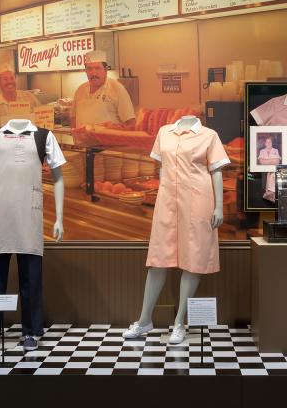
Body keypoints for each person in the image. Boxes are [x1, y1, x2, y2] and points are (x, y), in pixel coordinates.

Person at [123, 116, 230, 344]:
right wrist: (163, 192)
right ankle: (144, 320)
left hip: (199, 200)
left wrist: (219, 206)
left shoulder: (209, 135)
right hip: (168, 202)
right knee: (158, 260)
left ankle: (180, 323)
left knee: (193, 260)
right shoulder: (164, 132)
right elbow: (161, 167)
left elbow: (217, 171)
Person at [0, 118, 66, 351]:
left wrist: (59, 217)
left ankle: (31, 331)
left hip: (30, 212)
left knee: (31, 277)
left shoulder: (43, 136)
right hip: (1, 211)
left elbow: (58, 176)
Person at [71, 50, 135, 129]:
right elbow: (73, 118)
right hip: (82, 141)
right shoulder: (80, 90)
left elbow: (131, 124)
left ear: (105, 70)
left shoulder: (117, 89)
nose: (93, 73)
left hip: (109, 141)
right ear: (86, 71)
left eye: (97, 68)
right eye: (89, 69)